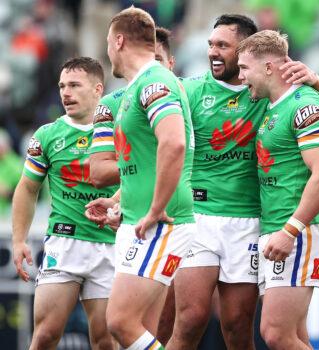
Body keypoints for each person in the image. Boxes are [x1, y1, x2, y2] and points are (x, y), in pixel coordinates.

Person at [171, 14, 319, 350]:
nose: (213, 52)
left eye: (223, 45)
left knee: (242, 326)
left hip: (254, 222)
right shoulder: (191, 89)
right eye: (211, 44)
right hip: (201, 216)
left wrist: (318, 81)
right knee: (192, 318)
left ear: (247, 53)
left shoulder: (271, 96)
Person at [236, 29, 319, 349]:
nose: (240, 78)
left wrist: (290, 230)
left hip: (298, 233)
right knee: (294, 336)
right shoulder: (273, 107)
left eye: (244, 68)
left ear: (269, 67)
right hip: (279, 229)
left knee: (275, 334)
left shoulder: (304, 104)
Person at [103, 7, 195, 349]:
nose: (108, 51)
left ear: (119, 40)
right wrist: (118, 201)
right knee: (141, 327)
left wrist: (156, 208)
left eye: (108, 43)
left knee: (120, 322)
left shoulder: (155, 81)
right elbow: (142, 159)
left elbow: (174, 142)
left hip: (160, 220)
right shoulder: (138, 86)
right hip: (140, 216)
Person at [11, 57, 117, 350]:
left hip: (111, 245)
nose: (65, 92)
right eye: (61, 86)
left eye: (74, 85)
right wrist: (19, 239)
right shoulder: (47, 135)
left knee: (106, 340)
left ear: (98, 89)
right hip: (65, 242)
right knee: (44, 336)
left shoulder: (121, 132)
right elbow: (27, 188)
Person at [87, 26, 177, 345]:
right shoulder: (113, 103)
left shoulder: (171, 93)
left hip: (171, 216)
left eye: (160, 59)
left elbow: (176, 150)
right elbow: (99, 171)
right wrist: (119, 202)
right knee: (141, 326)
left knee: (130, 322)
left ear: (171, 63)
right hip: (147, 216)